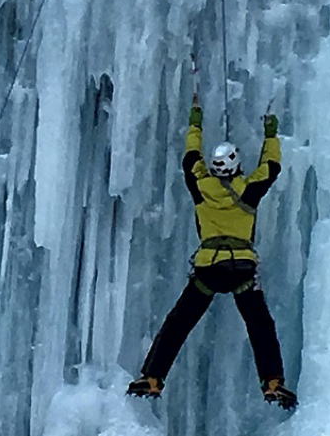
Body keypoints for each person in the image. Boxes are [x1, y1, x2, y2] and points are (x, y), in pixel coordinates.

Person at [127, 95, 297, 410]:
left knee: (178, 323)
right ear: (236, 164)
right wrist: (270, 133)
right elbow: (271, 167)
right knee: (260, 325)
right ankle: (273, 383)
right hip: (241, 270)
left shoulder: (202, 186)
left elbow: (190, 157)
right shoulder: (248, 188)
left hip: (208, 270)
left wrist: (196, 121)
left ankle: (152, 378)